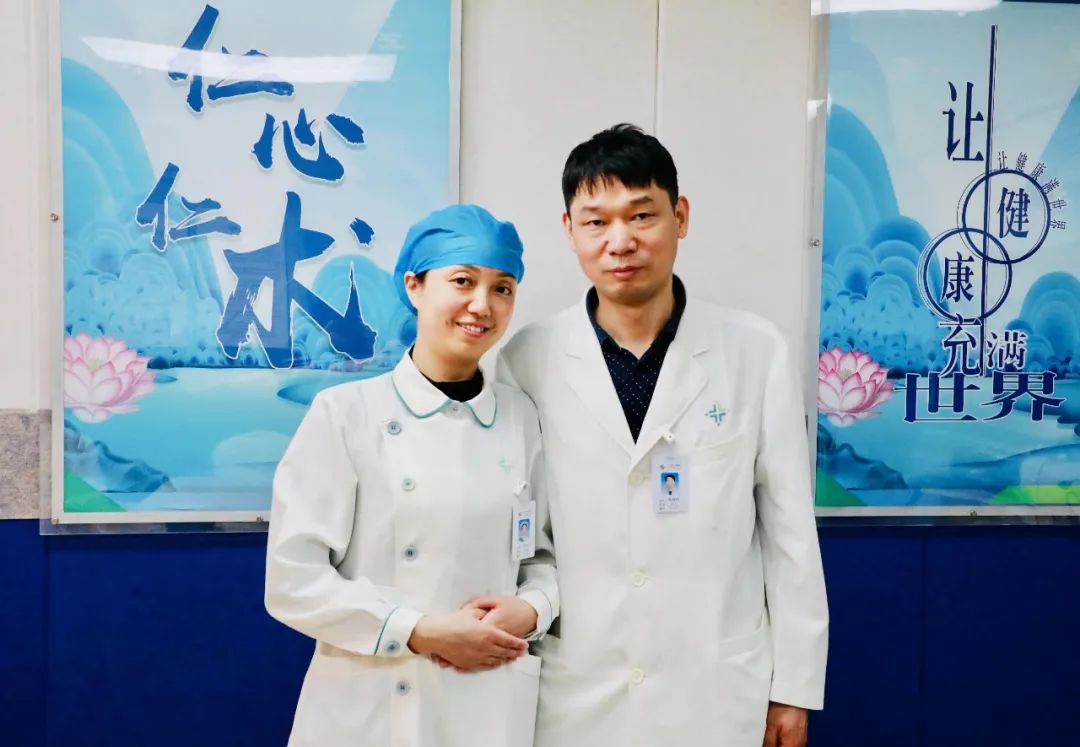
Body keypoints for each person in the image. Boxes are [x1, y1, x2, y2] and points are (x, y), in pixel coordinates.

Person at [496, 124, 828, 747]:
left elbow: (790, 535)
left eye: (641, 215)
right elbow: (522, 535)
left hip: (714, 686)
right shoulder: (527, 360)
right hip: (575, 689)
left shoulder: (754, 351)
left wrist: (794, 686)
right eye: (596, 222)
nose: (620, 241)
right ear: (569, 230)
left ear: (680, 217)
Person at [264, 204, 558, 747]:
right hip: (372, 705)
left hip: (485, 702)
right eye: (463, 281)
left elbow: (542, 556)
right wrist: (419, 631)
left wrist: (533, 608)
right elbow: (292, 580)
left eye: (502, 288)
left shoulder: (521, 416)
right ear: (414, 285)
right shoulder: (345, 414)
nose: (482, 305)